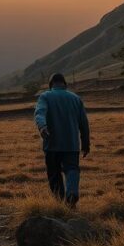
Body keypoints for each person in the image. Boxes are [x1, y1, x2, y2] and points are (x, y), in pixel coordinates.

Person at [33, 73, 89, 206]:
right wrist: (86, 144)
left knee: (54, 174)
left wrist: (42, 127)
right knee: (72, 169)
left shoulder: (45, 96)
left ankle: (59, 203)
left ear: (50, 85)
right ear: (65, 84)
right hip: (71, 144)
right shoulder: (76, 98)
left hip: (52, 143)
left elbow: (39, 113)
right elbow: (84, 123)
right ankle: (71, 194)